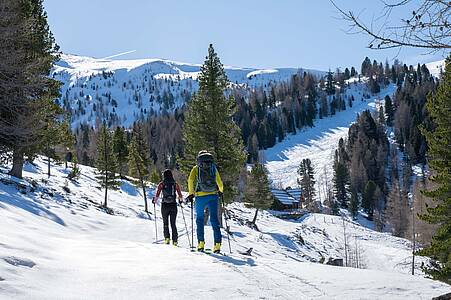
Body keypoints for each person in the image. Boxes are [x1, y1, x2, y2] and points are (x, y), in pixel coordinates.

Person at [187, 150, 224, 253]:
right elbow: (219, 182)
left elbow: (190, 180)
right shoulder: (213, 167)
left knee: (199, 219)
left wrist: (191, 193)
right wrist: (220, 191)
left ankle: (201, 243)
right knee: (214, 220)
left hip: (200, 196)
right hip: (213, 196)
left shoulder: (196, 168)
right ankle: (217, 245)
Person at [153, 169, 183, 246]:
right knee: (173, 223)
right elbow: (180, 195)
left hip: (165, 205)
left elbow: (157, 194)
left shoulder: (162, 184)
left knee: (165, 223)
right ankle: (175, 241)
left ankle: (167, 238)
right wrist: (180, 201)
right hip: (173, 205)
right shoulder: (175, 184)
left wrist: (154, 201)